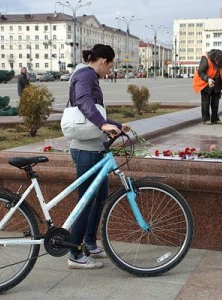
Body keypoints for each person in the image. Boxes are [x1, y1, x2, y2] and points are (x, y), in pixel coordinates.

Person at [68, 44, 130, 269]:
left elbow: (96, 111)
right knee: (85, 200)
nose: (109, 72)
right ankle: (74, 254)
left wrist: (117, 125)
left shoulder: (90, 76)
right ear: (103, 61)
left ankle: (89, 244)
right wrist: (103, 123)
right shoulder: (85, 75)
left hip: (96, 147)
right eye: (110, 66)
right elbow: (84, 102)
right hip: (85, 148)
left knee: (100, 195)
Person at [192, 49, 222, 125]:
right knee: (205, 102)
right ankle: (206, 119)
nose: (220, 65)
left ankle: (215, 118)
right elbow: (201, 71)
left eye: (221, 64)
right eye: (219, 63)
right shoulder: (206, 58)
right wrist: (208, 79)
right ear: (215, 59)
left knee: (215, 103)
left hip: (217, 83)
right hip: (205, 83)